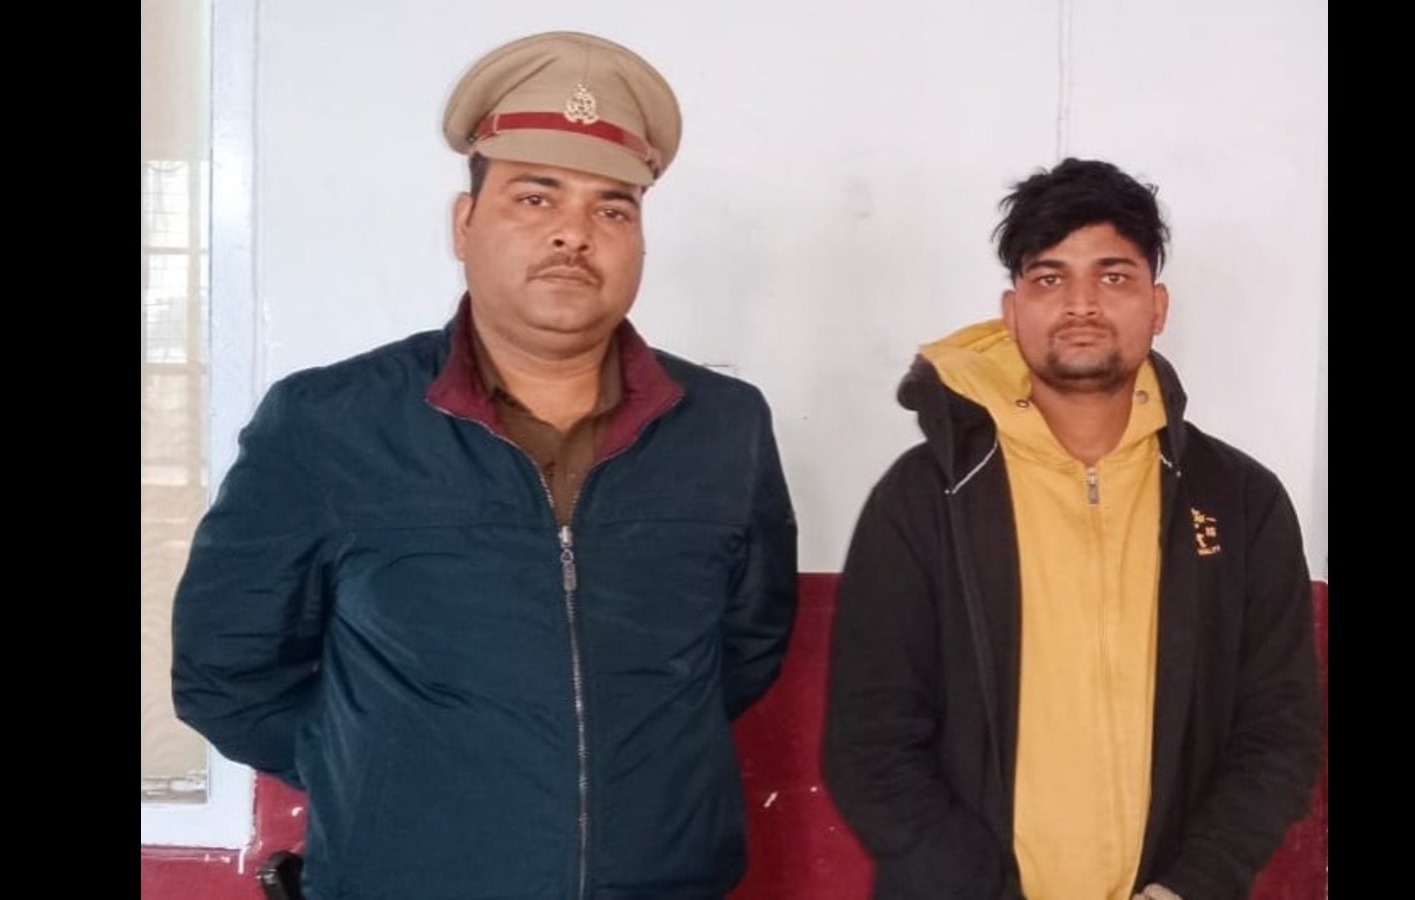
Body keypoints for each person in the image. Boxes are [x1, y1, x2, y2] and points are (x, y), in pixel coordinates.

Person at [171, 30, 799, 900]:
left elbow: (745, 648)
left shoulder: (724, 426)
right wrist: (384, 766)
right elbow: (226, 670)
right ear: (464, 224)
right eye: (535, 197)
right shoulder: (328, 423)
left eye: (613, 210)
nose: (574, 233)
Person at [820, 158, 1322, 900]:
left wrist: (1189, 885)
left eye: (1113, 276)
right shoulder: (925, 496)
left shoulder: (1241, 501)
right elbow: (870, 744)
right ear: (1012, 309)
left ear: (1157, 305)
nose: (1081, 303)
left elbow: (1280, 732)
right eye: (1049, 277)